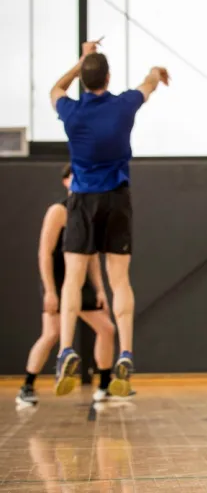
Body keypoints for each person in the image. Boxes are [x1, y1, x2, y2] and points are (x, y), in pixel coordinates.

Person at [49, 39, 169, 397]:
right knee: (119, 280)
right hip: (117, 199)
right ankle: (127, 353)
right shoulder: (123, 106)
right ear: (109, 77)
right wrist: (155, 73)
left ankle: (66, 348)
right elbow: (148, 85)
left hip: (82, 200)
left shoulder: (71, 112)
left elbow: (56, 88)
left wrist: (80, 61)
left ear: (84, 81)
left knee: (72, 279)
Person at [16, 163, 116, 406]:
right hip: (60, 280)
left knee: (107, 329)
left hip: (81, 281)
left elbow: (91, 257)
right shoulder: (58, 211)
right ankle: (27, 387)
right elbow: (44, 253)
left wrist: (100, 288)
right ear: (66, 181)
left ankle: (104, 386)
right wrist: (50, 290)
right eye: (76, 177)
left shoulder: (90, 213)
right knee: (52, 334)